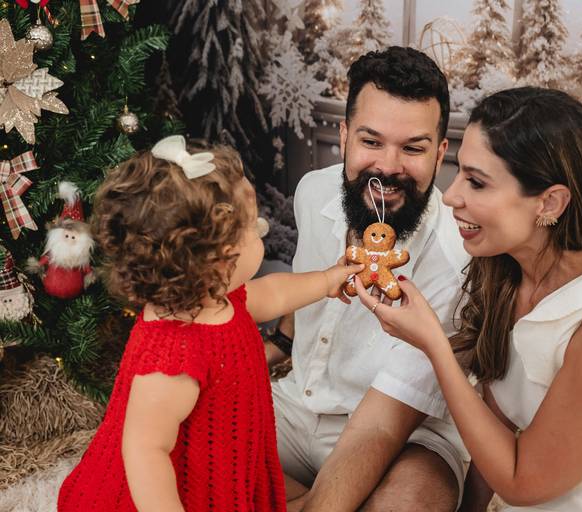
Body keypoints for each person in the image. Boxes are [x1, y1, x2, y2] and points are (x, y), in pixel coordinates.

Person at [355, 88, 582, 511]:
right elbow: (496, 433)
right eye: (459, 173)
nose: (451, 196)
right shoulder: (507, 275)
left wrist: (434, 343)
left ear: (550, 202)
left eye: (476, 181)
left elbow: (522, 482)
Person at [57, 136, 362, 512]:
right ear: (221, 259)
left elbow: (274, 293)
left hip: (221, 462)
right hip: (169, 494)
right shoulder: (173, 356)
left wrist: (327, 281)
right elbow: (145, 450)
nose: (261, 230)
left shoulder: (220, 296)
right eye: (253, 229)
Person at [264, 47, 470, 511]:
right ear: (343, 136)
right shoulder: (313, 191)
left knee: (409, 503)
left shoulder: (456, 257)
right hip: (298, 406)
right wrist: (279, 340)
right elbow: (304, 285)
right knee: (176, 449)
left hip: (407, 431)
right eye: (371, 141)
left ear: (439, 154)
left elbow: (382, 425)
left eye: (413, 148)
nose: (387, 168)